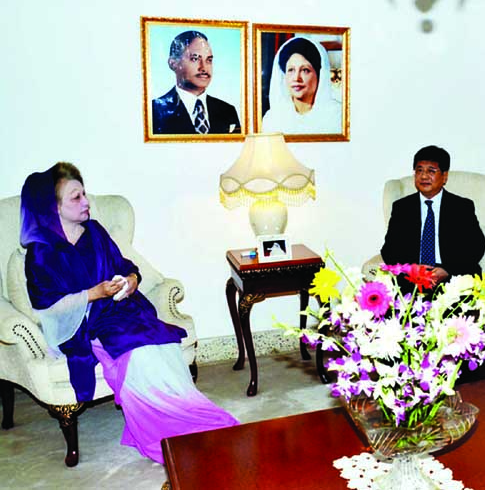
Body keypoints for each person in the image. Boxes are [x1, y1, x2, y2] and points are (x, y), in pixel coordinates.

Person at [21, 162, 238, 464]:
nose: (86, 202)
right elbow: (45, 305)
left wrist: (132, 280)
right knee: (141, 354)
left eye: (84, 193)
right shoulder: (42, 252)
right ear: (52, 206)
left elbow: (124, 265)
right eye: (75, 197)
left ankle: (188, 408)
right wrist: (93, 294)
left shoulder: (94, 231)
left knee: (164, 342)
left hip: (123, 309)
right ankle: (172, 428)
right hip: (88, 325)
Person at [381, 145, 485, 284]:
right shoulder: (402, 207)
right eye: (419, 171)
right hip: (413, 277)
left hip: (453, 276)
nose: (424, 176)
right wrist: (411, 269)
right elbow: (389, 250)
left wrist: (448, 269)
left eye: (431, 171)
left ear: (444, 176)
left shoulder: (461, 207)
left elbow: (476, 246)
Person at [151, 30, 242, 135]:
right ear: (173, 63)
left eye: (209, 60)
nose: (203, 68)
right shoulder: (155, 111)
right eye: (194, 59)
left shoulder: (227, 110)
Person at [262, 36, 342, 135]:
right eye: (291, 70)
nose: (296, 78)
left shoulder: (338, 116)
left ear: (320, 75)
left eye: (305, 70)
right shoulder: (272, 119)